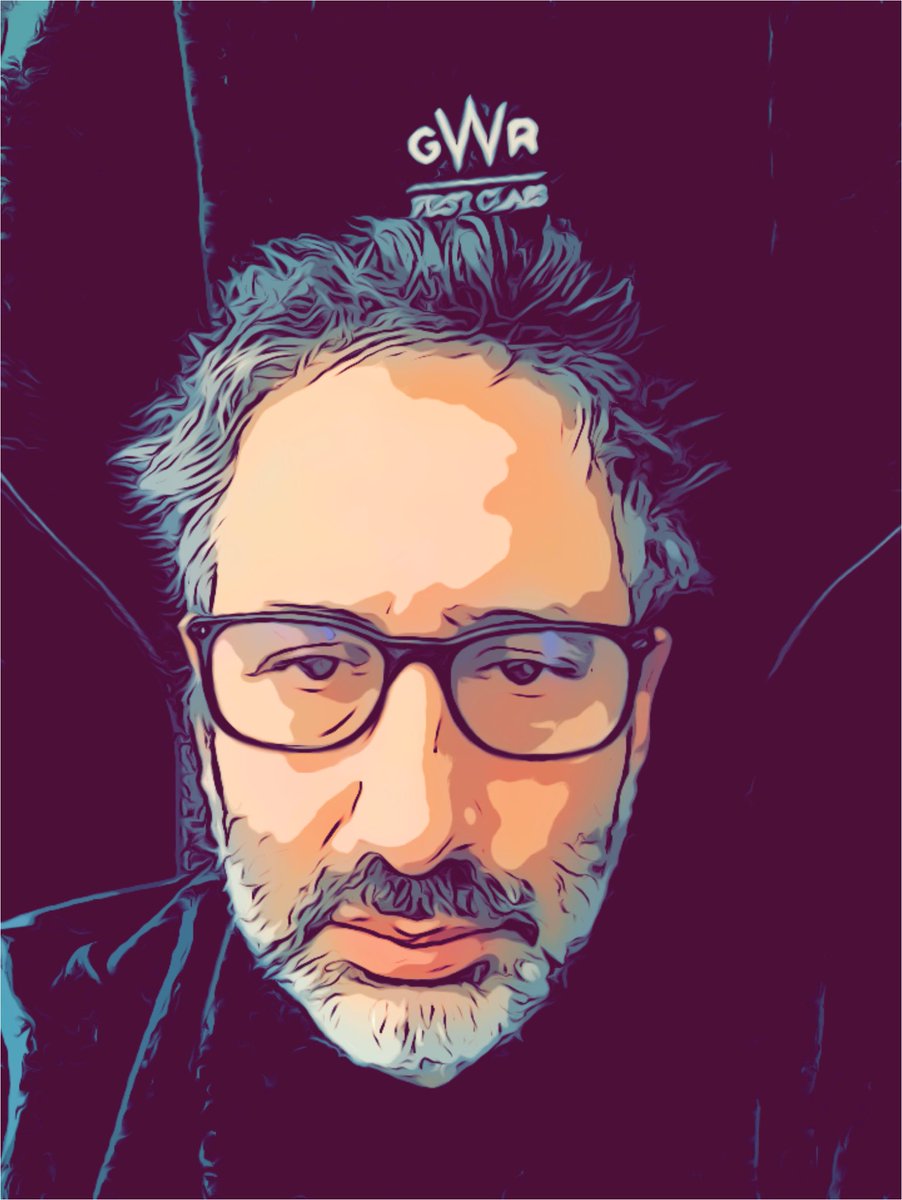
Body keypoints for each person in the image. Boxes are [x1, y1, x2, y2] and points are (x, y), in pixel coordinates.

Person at [2, 216, 725, 1199]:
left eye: (523, 671)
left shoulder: (845, 1071)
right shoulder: (25, 1050)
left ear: (635, 714)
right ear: (206, 716)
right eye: (311, 665)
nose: (413, 831)